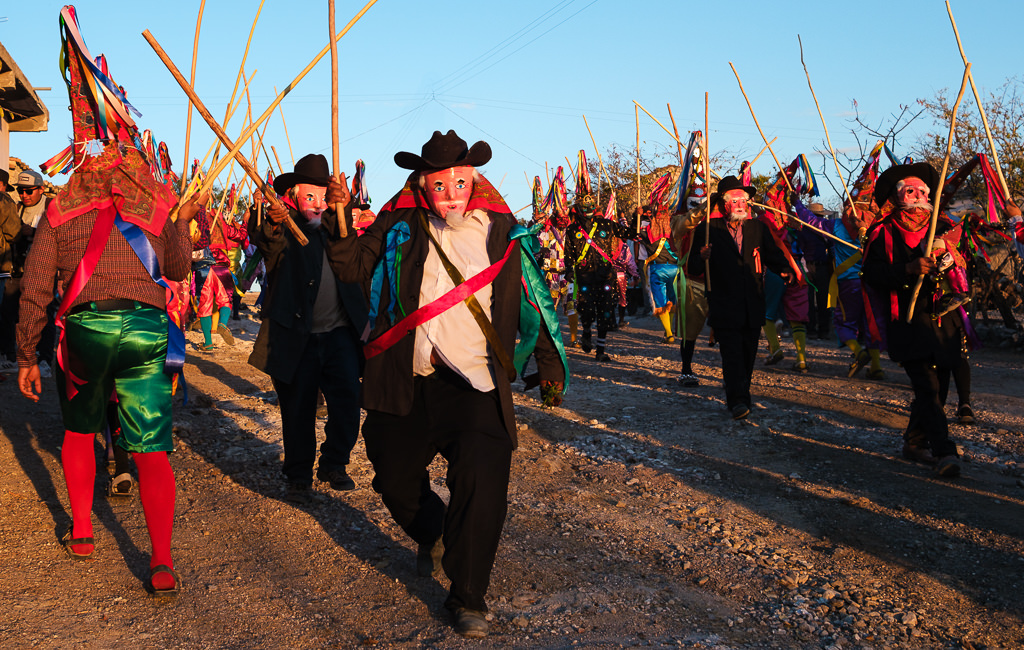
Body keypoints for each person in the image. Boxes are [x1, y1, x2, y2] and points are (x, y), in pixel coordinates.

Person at [318, 130, 568, 638]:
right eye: (439, 185)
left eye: (460, 182)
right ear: (422, 185)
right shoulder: (397, 225)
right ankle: (432, 531)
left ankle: (468, 594)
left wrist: (548, 363)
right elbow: (350, 267)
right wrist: (340, 220)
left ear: (473, 181)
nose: (450, 193)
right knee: (392, 477)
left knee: (483, 483)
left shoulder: (502, 231)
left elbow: (532, 298)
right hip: (406, 377)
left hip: (476, 381)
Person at [248, 154, 369, 501]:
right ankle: (299, 472)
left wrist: (341, 209)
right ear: (295, 198)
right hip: (296, 338)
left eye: (322, 197)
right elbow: (265, 238)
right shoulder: (286, 232)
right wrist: (274, 222)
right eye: (308, 198)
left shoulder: (341, 232)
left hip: (340, 336)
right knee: (298, 409)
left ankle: (334, 463)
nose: (316, 206)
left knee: (347, 403)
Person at [861, 162, 965, 477]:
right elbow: (872, 274)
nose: (917, 194)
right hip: (906, 319)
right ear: (897, 195)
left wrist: (949, 261)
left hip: (942, 318)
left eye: (922, 190)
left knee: (939, 386)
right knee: (927, 385)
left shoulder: (944, 225)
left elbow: (961, 264)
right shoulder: (883, 231)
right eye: (909, 190)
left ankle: (914, 441)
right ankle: (945, 452)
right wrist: (908, 269)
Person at [688, 176, 790, 419]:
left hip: (752, 301)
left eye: (744, 199)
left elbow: (772, 255)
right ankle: (738, 401)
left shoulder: (757, 228)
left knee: (748, 353)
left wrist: (784, 269)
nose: (741, 204)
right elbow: (692, 266)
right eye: (735, 200)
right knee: (732, 353)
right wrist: (702, 256)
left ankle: (741, 391)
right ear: (724, 204)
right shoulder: (707, 230)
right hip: (723, 302)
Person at [792, 199, 886, 379]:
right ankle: (876, 367)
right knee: (870, 324)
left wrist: (797, 203)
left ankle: (859, 353)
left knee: (842, 322)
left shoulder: (836, 226)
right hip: (872, 283)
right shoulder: (876, 226)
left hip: (849, 283)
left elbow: (809, 220)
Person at [563, 194, 635, 362]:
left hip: (606, 275)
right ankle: (586, 332)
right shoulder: (573, 229)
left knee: (606, 311)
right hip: (584, 276)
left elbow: (627, 234)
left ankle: (600, 350)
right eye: (584, 209)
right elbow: (569, 254)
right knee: (586, 310)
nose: (587, 212)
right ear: (579, 211)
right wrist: (569, 270)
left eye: (590, 208)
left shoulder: (607, 224)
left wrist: (636, 219)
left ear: (594, 208)